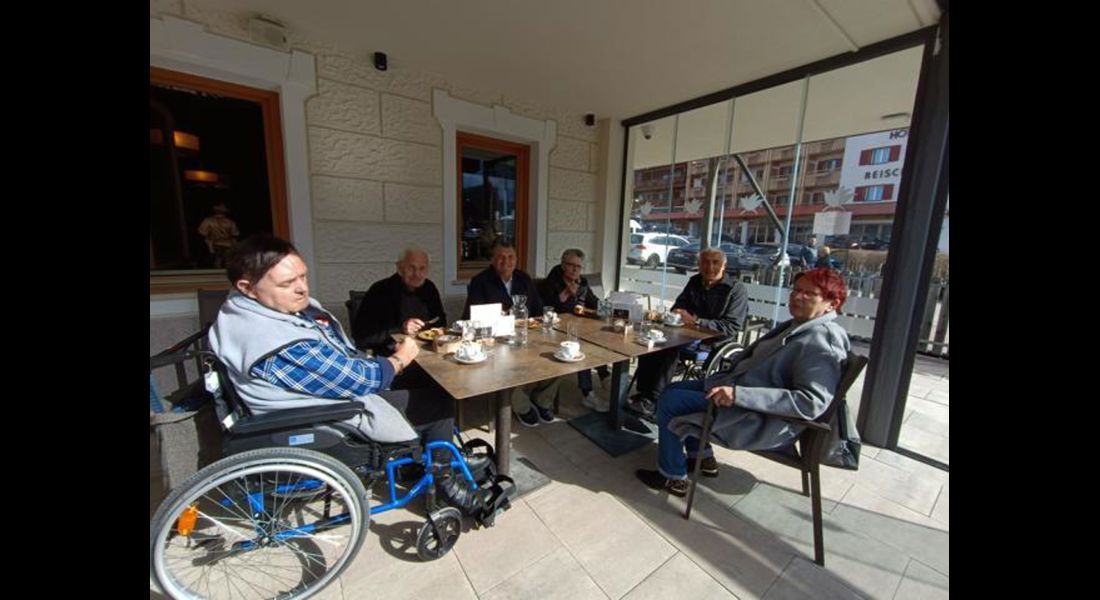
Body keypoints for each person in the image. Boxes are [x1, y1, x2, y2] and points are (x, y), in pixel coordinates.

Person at [208, 234, 453, 450]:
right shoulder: (267, 339)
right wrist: (400, 357)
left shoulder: (262, 313)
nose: (302, 289)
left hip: (339, 385)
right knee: (438, 402)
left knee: (429, 382)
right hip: (327, 413)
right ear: (247, 288)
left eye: (303, 276)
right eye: (287, 283)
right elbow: (362, 377)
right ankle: (445, 480)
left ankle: (417, 456)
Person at [634, 267, 850, 496]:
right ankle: (702, 458)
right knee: (674, 388)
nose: (797, 296)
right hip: (739, 391)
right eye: (796, 290)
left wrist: (738, 395)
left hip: (754, 415)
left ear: (832, 303)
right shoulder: (801, 325)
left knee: (670, 401)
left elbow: (811, 402)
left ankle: (672, 476)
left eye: (809, 294)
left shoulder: (822, 341)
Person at [628, 247, 748, 418]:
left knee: (669, 348)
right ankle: (643, 393)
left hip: (712, 342)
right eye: (705, 262)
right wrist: (678, 312)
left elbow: (732, 326)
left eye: (715, 262)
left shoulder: (735, 290)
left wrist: (697, 321)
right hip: (686, 333)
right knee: (651, 340)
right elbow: (678, 305)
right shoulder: (695, 282)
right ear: (699, 265)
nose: (710, 267)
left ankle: (653, 400)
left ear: (724, 266)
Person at [463, 241, 559, 427]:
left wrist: (547, 317)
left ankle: (542, 400)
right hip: (496, 341)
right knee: (510, 368)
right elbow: (470, 318)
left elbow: (538, 309)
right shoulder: (480, 281)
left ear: (516, 260)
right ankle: (522, 406)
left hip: (527, 336)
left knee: (559, 358)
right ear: (492, 259)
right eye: (500, 256)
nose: (505, 261)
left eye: (510, 257)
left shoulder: (523, 278)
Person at [537, 248, 611, 412]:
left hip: (580, 327)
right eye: (571, 265)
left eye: (578, 266)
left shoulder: (582, 282)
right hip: (557, 330)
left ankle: (607, 379)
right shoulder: (552, 281)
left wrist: (609, 308)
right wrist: (565, 294)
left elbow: (594, 302)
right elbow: (546, 308)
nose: (575, 269)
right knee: (580, 345)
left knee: (599, 340)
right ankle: (588, 394)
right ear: (563, 265)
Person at [353, 248, 447, 354]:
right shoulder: (380, 290)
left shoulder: (429, 288)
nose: (417, 274)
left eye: (422, 268)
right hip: (393, 356)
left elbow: (440, 320)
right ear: (399, 268)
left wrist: (438, 330)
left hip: (427, 352)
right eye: (411, 268)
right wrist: (401, 328)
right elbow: (362, 336)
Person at [197, 202, 240, 268]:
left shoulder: (208, 220)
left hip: (214, 244)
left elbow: (202, 232)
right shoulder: (230, 222)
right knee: (227, 261)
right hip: (227, 244)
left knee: (217, 260)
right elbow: (235, 233)